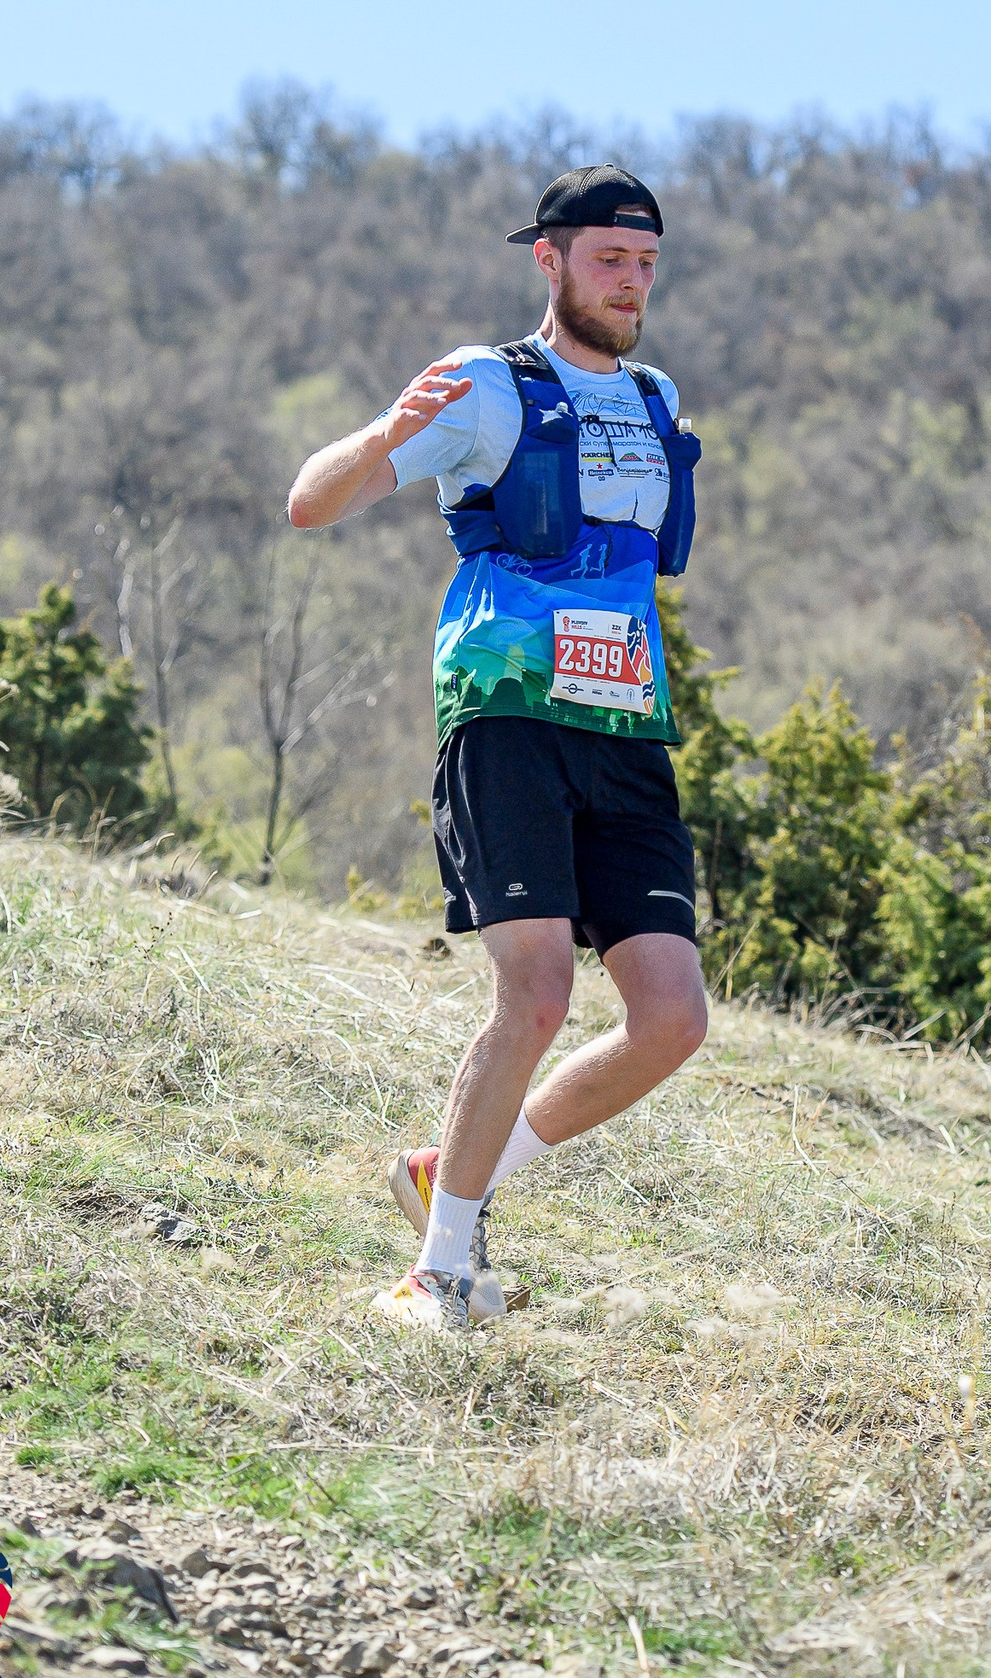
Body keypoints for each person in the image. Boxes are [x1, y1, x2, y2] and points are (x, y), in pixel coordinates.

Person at [285, 164, 708, 1332]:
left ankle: (450, 1175)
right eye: (611, 260)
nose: (632, 284)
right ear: (552, 259)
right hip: (507, 713)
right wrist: (383, 432)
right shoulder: (484, 384)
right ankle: (438, 1270)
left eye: (647, 264)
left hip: (623, 729)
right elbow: (310, 504)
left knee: (671, 1018)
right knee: (537, 990)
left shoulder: (656, 395)